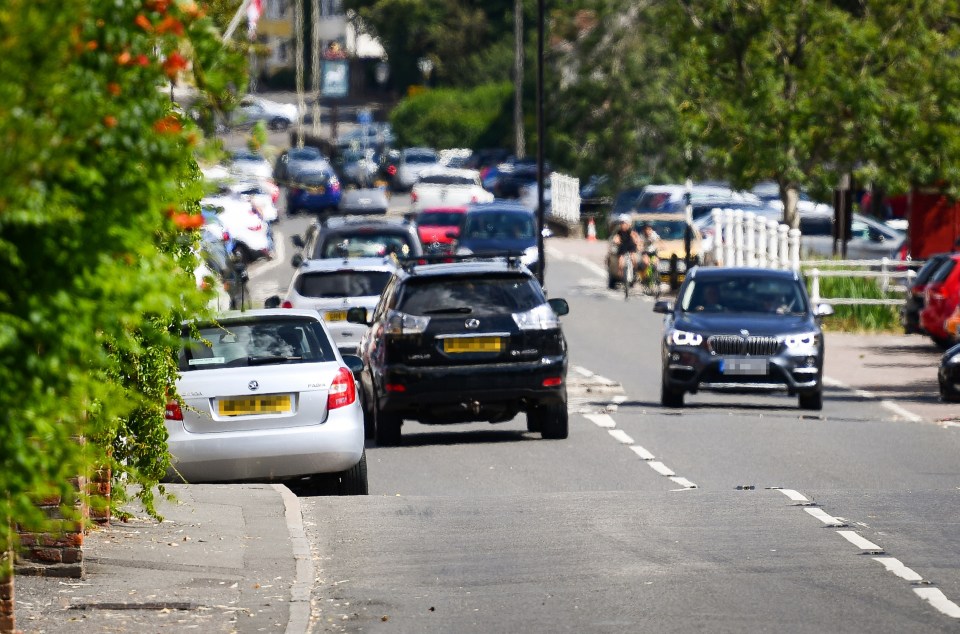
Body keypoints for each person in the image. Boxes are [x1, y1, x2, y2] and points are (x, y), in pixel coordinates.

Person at [611, 214, 641, 283]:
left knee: (633, 258)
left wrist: (637, 242)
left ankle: (635, 272)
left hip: (630, 246)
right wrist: (616, 241)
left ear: (628, 224)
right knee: (620, 261)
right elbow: (616, 237)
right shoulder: (619, 231)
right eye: (621, 223)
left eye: (623, 223)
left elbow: (635, 237)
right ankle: (620, 273)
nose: (622, 225)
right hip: (622, 246)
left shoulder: (630, 231)